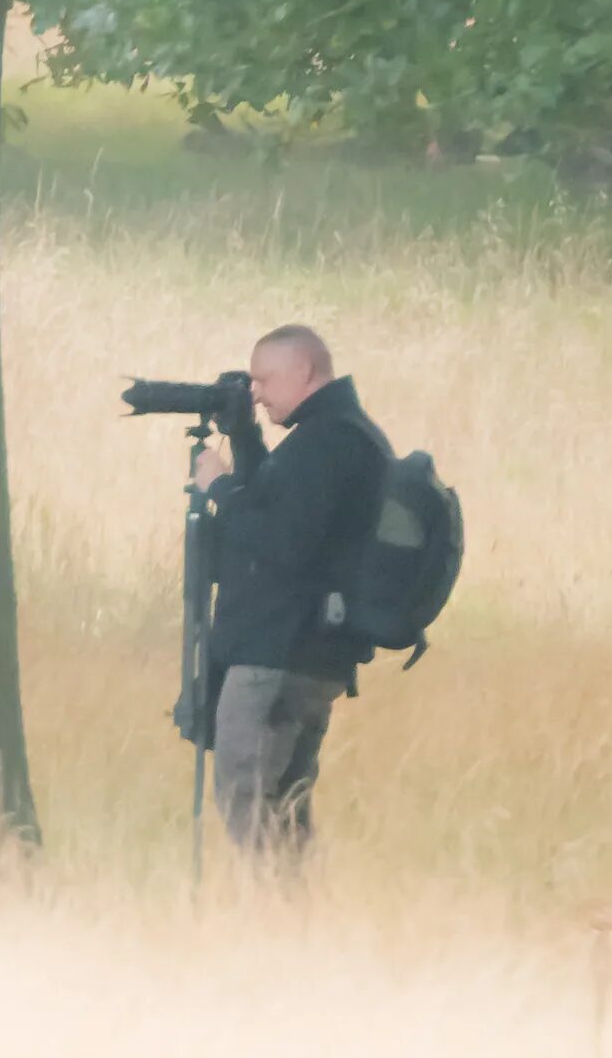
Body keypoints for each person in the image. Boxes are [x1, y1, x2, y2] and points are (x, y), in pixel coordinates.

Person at [189, 324, 391, 864]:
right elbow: (282, 506)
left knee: (246, 792)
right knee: (285, 805)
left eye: (264, 379)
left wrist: (220, 489)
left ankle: (274, 919)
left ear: (305, 372)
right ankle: (299, 927)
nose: (255, 391)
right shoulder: (340, 435)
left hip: (277, 653)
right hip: (308, 651)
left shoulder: (328, 443)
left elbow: (280, 542)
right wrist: (246, 439)